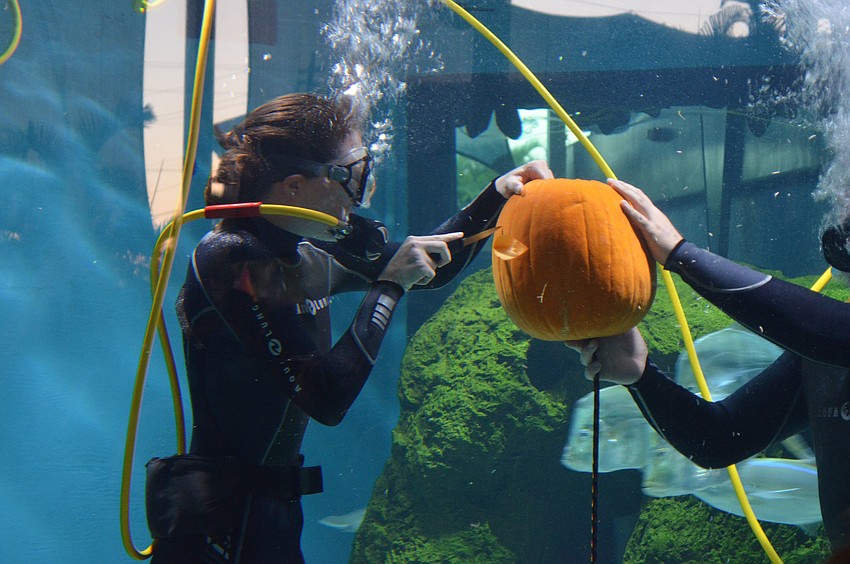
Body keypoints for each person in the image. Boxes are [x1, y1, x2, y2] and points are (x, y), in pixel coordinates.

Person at [145, 92, 553, 562]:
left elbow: (428, 267)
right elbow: (325, 396)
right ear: (294, 187)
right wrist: (389, 286)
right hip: (218, 528)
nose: (361, 194)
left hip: (271, 513)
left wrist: (497, 195)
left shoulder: (306, 249)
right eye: (351, 175)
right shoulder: (231, 258)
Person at [566, 178, 850, 556]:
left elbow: (827, 331)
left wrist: (682, 255)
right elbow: (720, 438)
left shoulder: (831, 339)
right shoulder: (823, 360)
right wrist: (640, 374)